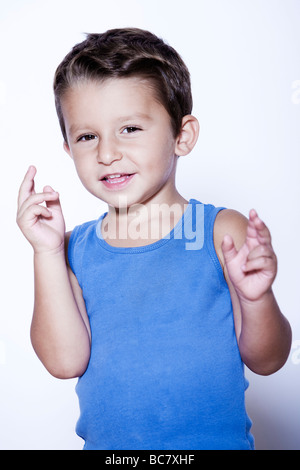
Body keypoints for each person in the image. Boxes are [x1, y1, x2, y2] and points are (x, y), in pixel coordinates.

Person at [16, 28, 291, 450]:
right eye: (87, 136)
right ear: (69, 149)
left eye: (129, 128)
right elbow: (63, 361)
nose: (107, 153)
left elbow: (269, 360)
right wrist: (46, 251)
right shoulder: (71, 250)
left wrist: (257, 300)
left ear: (182, 136)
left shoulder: (222, 233)